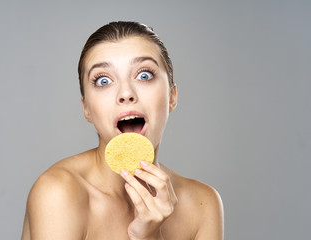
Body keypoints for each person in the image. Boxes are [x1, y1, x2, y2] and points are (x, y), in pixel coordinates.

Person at [21, 21, 224, 240]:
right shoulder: (58, 192)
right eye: (104, 80)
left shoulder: (203, 205)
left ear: (172, 96)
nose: (126, 93)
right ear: (86, 109)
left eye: (144, 75)